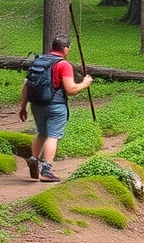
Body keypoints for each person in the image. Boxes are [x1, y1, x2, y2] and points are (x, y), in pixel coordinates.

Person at [19, 35, 93, 183]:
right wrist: (85, 83)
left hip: (36, 105)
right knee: (53, 136)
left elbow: (26, 85)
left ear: (53, 47)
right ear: (65, 49)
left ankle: (34, 159)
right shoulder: (63, 64)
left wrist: (23, 107)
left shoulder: (38, 61)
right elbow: (70, 89)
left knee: (42, 133)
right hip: (55, 106)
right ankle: (46, 171)